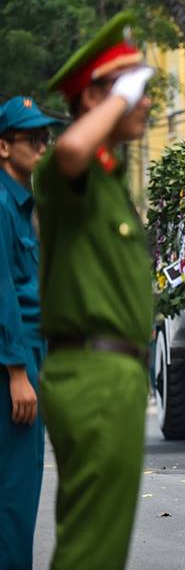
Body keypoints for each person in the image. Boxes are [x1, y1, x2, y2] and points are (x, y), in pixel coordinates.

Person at [36, 11, 155, 569]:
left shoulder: (106, 183)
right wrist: (116, 99)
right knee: (92, 552)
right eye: (133, 87)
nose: (146, 99)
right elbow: (69, 150)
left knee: (96, 547)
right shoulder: (69, 173)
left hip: (114, 376)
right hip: (94, 374)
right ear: (94, 99)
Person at [0, 96, 60, 570]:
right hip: (11, 365)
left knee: (19, 489)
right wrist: (18, 370)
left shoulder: (20, 204)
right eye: (31, 139)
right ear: (4, 146)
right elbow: (3, 292)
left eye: (46, 137)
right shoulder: (2, 204)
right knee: (15, 495)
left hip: (28, 354)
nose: (42, 146)